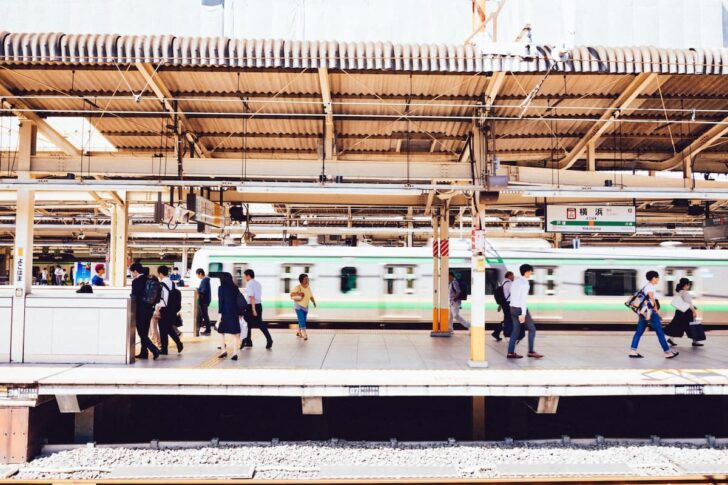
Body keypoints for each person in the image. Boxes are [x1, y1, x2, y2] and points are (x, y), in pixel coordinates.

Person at [629, 271, 678, 359]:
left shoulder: (646, 286)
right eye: (657, 277)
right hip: (650, 312)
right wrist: (657, 312)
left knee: (639, 332)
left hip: (643, 313)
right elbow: (652, 300)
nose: (658, 279)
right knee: (660, 332)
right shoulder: (650, 287)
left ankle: (633, 351)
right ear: (654, 278)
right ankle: (667, 352)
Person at [507, 264, 543, 359]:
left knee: (515, 330)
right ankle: (531, 351)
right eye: (530, 271)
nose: (531, 273)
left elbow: (512, 294)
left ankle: (510, 352)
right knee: (532, 329)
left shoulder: (515, 281)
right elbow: (523, 299)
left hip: (512, 308)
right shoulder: (525, 283)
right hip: (520, 309)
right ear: (526, 272)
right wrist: (523, 313)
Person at [130, 263, 160, 360]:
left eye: (132, 272)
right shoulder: (150, 279)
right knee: (145, 332)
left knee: (142, 333)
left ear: (135, 271)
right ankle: (144, 352)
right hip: (149, 309)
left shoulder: (136, 281)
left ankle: (154, 349)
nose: (132, 274)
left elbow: (134, 297)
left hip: (140, 310)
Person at [666, 277, 703, 348]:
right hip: (686, 313)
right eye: (688, 284)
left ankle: (670, 339)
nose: (689, 286)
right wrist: (694, 311)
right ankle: (695, 341)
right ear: (686, 285)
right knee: (691, 326)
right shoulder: (685, 293)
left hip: (679, 312)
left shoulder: (679, 292)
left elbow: (683, 303)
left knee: (676, 325)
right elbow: (689, 303)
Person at [241, 269, 273, 349]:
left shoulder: (249, 284)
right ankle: (249, 341)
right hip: (259, 305)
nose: (244, 277)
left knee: (247, 323)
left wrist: (253, 309)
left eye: (244, 276)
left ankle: (249, 341)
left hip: (251, 306)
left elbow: (252, 297)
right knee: (256, 323)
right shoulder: (257, 283)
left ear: (248, 275)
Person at [156, 265, 184, 355]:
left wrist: (158, 309)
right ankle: (178, 343)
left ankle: (165, 349)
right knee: (168, 328)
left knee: (163, 330)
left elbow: (162, 299)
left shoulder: (161, 284)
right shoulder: (173, 283)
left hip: (164, 309)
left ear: (160, 273)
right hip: (172, 309)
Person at [217, 272, 244, 360]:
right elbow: (239, 300)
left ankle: (223, 350)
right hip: (234, 312)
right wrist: (240, 313)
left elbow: (221, 302)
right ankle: (235, 353)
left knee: (220, 331)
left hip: (225, 312)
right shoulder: (235, 287)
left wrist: (219, 315)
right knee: (235, 333)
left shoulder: (221, 288)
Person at [290, 273, 317, 341]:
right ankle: (304, 334)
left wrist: (313, 302)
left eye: (307, 279)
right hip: (298, 306)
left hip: (305, 306)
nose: (307, 280)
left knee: (303, 320)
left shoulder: (308, 287)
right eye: (305, 279)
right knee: (302, 319)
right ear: (301, 280)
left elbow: (310, 296)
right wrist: (299, 294)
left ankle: (299, 332)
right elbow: (292, 294)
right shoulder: (298, 287)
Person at [491, 271, 514, 342]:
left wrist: (500, 305)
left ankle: (496, 333)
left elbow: (504, 295)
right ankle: (507, 334)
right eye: (513, 276)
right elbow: (512, 294)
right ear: (509, 276)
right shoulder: (509, 284)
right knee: (509, 320)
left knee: (507, 319)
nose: (513, 277)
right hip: (508, 304)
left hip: (504, 304)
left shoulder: (503, 283)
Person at [196, 268, 213, 335]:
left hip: (204, 301)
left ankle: (208, 329)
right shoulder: (206, 280)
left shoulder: (204, 280)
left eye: (197, 275)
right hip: (205, 300)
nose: (197, 276)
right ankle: (206, 329)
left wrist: (197, 290)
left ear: (200, 273)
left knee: (204, 315)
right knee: (204, 315)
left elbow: (202, 291)